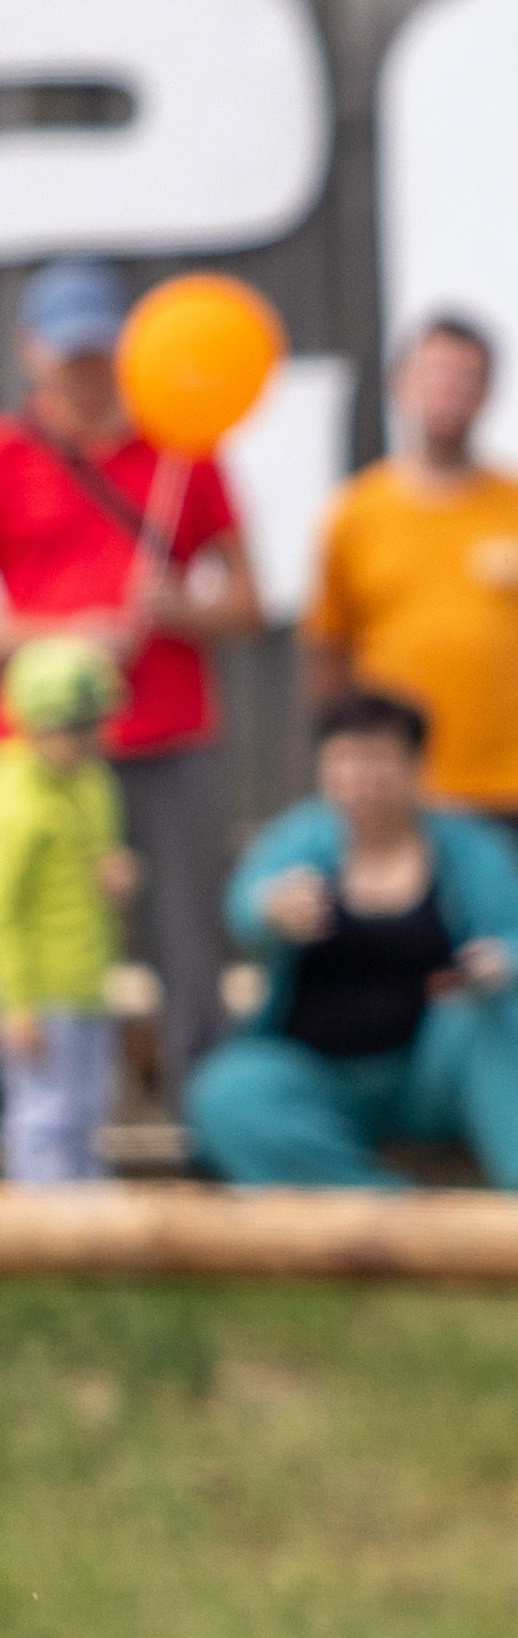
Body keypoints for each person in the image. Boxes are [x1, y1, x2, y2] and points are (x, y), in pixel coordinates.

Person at [0, 258, 263, 1103]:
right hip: (44, 748)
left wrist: (181, 608)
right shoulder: (9, 454)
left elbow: (249, 601)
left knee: (187, 935)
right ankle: (40, 1122)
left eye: (98, 352)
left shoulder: (183, 448)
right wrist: (67, 634)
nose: (85, 370)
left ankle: (202, 1113)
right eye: (67, 353)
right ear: (31, 351)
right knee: (32, 928)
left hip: (169, 734)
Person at [185, 692, 518, 1192]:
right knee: (226, 1091)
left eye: (378, 761)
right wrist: (271, 912)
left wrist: (503, 960)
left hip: (429, 1077)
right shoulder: (299, 840)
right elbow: (242, 909)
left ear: (416, 767)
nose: (362, 780)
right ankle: (381, 1204)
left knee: (498, 1013)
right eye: (346, 762)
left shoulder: (472, 847)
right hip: (317, 1075)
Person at [303, 317, 518, 930]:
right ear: (400, 384)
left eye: (466, 378)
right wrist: (359, 761)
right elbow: (327, 652)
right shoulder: (356, 513)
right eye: (434, 375)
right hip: (401, 793)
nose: (448, 392)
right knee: (406, 959)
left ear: (488, 392)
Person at [0, 638, 137, 1183]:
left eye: (94, 725)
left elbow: (96, 857)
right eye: (75, 729)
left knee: (86, 1109)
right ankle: (50, 1223)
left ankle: (87, 1221)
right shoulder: (15, 801)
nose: (90, 740)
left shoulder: (94, 782)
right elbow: (4, 912)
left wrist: (113, 873)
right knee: (45, 1115)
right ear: (36, 726)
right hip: (39, 991)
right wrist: (18, 1004)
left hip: (88, 980)